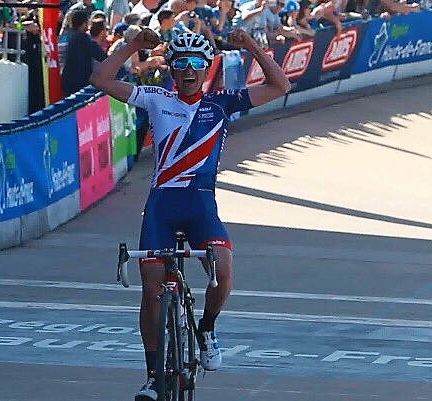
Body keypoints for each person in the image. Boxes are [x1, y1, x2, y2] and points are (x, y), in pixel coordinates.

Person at [90, 29, 290, 401]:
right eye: (180, 62)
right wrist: (133, 46)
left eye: (196, 63)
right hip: (162, 207)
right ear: (170, 67)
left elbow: (281, 85)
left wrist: (251, 47)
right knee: (150, 290)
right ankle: (153, 377)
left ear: (207, 67)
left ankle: (207, 328)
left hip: (200, 206)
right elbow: (99, 79)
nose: (188, 70)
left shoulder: (221, 103)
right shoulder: (155, 98)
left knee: (224, 271)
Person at [61, 9, 107, 96]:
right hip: (79, 83)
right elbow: (101, 56)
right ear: (84, 23)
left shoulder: (67, 36)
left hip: (67, 81)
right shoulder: (83, 38)